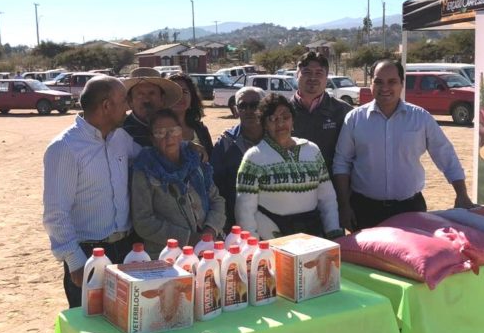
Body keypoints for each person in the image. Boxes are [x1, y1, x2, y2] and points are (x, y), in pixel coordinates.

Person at [333, 59, 474, 231]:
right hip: (365, 210)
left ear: (401, 84)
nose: (385, 88)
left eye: (392, 82)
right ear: (371, 84)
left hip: (410, 209)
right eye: (378, 82)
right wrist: (344, 206)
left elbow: (446, 155)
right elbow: (341, 163)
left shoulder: (420, 118)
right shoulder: (354, 119)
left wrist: (462, 194)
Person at [43, 76, 139, 309]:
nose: (128, 107)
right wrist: (76, 262)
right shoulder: (64, 148)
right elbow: (55, 214)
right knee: (92, 331)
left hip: (126, 250)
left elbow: (148, 160)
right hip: (88, 256)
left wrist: (186, 148)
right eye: (123, 100)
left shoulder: (121, 138)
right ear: (107, 106)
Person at [235, 94, 342, 240]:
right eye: (273, 119)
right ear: (264, 123)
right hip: (270, 236)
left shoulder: (312, 151)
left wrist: (333, 232)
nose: (280, 124)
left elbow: (327, 197)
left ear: (293, 120)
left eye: (285, 117)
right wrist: (252, 247)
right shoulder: (254, 157)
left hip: (311, 235)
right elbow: (244, 210)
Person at [131, 109, 226, 257]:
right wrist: (189, 238)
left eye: (173, 130)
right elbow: (143, 221)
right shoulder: (144, 170)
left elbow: (217, 200)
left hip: (208, 248)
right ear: (152, 138)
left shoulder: (196, 160)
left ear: (181, 132)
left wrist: (210, 231)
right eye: (160, 133)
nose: (169, 137)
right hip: (168, 255)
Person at [290, 51, 352, 179]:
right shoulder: (282, 112)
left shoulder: (344, 112)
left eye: (319, 73)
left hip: (333, 189)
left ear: (326, 77)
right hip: (292, 190)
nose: (313, 78)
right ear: (297, 75)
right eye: (306, 72)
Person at [211, 87, 265, 233]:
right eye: (242, 106)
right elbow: (216, 187)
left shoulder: (278, 138)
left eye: (254, 105)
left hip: (274, 218)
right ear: (236, 110)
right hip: (237, 224)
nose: (249, 110)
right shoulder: (225, 142)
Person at [122, 67, 182, 146]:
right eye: (140, 94)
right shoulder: (122, 132)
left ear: (162, 99)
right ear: (130, 101)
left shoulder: (173, 126)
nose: (146, 100)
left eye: (152, 93)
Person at [168, 73, 214, 158]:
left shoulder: (201, 130)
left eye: (184, 91)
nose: (180, 96)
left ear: (192, 98)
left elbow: (212, 161)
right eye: (174, 92)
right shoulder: (158, 130)